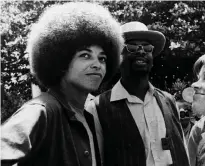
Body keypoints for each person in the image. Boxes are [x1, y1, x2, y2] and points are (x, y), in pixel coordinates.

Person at [1, 2, 124, 166]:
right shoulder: (42, 110)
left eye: (102, 58)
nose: (97, 64)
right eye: (85, 55)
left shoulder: (88, 115)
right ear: (60, 61)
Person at [87, 21, 190, 166]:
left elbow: (181, 149)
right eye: (132, 47)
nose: (141, 51)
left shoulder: (168, 100)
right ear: (118, 57)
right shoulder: (97, 108)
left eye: (147, 48)